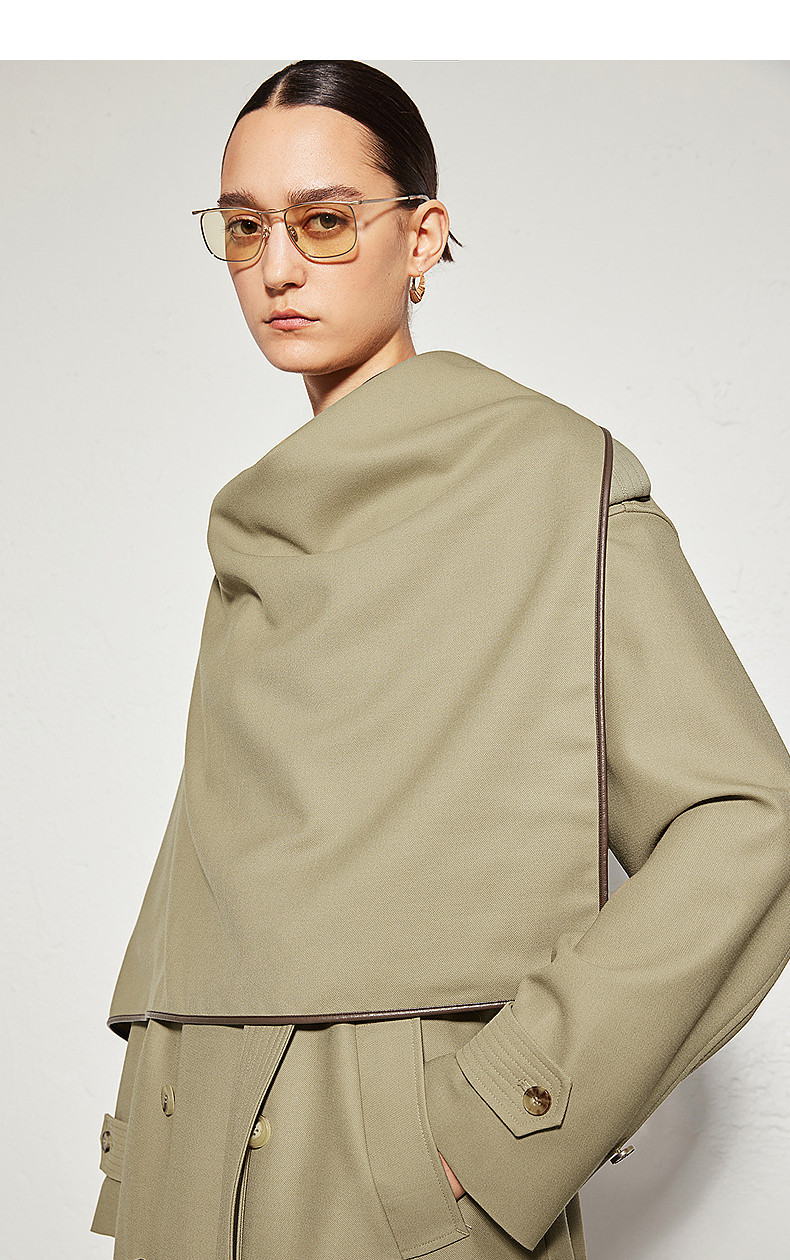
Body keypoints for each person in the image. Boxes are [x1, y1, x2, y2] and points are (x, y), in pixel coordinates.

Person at [90, 60, 790, 1260]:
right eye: (245, 227)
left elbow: (747, 817)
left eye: (323, 220)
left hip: (375, 1161)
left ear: (420, 237)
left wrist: (506, 1116)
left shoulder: (547, 481)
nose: (276, 267)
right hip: (187, 1137)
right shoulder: (256, 523)